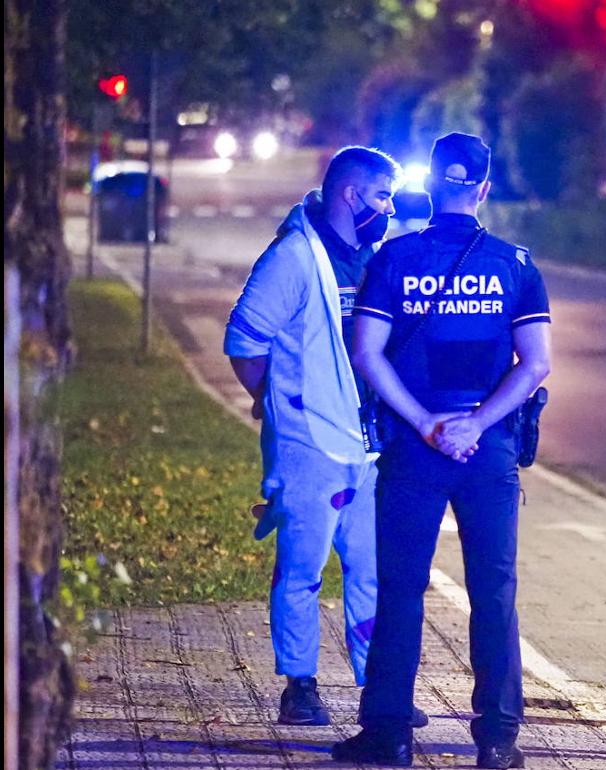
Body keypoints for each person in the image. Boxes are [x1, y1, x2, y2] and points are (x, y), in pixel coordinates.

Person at [332, 132, 552, 769]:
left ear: (427, 187)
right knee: (494, 590)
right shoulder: (516, 264)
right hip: (486, 451)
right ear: (484, 189)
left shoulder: (394, 258)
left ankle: (389, 734)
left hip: (415, 447)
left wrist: (427, 422)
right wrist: (475, 423)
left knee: (400, 587)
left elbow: (366, 352)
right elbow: (534, 363)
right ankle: (497, 738)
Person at [224, 146, 400, 725]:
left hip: (364, 440)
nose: (389, 207)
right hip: (309, 446)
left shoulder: (368, 256)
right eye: (381, 196)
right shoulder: (294, 257)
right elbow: (245, 341)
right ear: (351, 194)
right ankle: (299, 685)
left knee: (372, 569)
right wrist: (274, 403)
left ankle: (377, 687)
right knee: (301, 570)